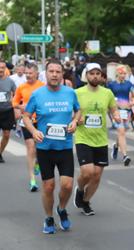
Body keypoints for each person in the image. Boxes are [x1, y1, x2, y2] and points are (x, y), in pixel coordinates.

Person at [23, 59, 81, 234]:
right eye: (51, 71)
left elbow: (78, 110)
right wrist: (33, 131)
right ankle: (49, 218)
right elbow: (26, 116)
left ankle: (61, 209)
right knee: (48, 186)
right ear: (46, 73)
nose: (54, 74)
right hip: (45, 148)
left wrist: (75, 121)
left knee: (68, 185)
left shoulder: (70, 93)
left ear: (62, 74)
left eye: (58, 71)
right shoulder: (37, 94)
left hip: (64, 146)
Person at [73, 63, 120, 215]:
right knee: (87, 172)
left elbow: (113, 108)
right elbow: (70, 111)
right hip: (83, 138)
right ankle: (80, 189)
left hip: (101, 140)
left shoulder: (107, 93)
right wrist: (75, 119)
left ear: (101, 76)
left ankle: (86, 202)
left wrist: (116, 115)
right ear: (86, 76)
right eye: (92, 73)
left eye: (98, 73)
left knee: (97, 176)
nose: (95, 76)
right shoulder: (77, 93)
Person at [12, 63, 45, 192]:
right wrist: (21, 107)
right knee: (30, 147)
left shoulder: (43, 87)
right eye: (26, 73)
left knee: (39, 147)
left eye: (30, 73)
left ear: (36, 73)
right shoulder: (21, 87)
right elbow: (14, 102)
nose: (28, 75)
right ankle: (32, 180)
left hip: (41, 121)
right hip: (27, 121)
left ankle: (37, 163)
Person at [107, 64, 134, 167]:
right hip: (115, 111)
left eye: (125, 73)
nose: (123, 75)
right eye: (121, 73)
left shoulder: (129, 84)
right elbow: (107, 97)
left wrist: (132, 103)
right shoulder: (111, 85)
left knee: (122, 132)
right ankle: (125, 156)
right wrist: (112, 105)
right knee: (121, 132)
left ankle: (116, 146)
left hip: (126, 111)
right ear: (117, 73)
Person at [0, 59, 16, 163]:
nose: (0, 69)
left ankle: (0, 153)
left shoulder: (10, 81)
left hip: (7, 111)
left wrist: (13, 99)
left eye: (2, 67)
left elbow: (16, 94)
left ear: (5, 68)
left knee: (6, 134)